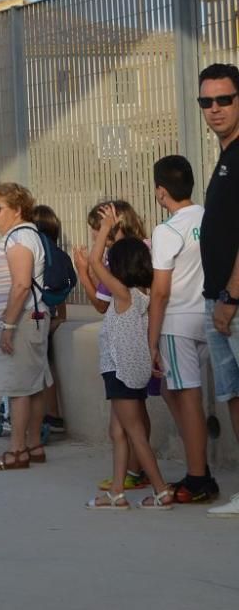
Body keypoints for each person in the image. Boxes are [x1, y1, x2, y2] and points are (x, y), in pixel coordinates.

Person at [86, 204, 174, 510]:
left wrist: (107, 228)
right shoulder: (143, 295)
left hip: (121, 371)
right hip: (129, 372)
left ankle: (162, 491)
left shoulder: (124, 294)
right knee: (118, 431)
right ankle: (118, 491)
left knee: (134, 433)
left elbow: (95, 261)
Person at [148, 155, 218, 503]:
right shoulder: (209, 217)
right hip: (209, 316)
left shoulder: (166, 230)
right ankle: (199, 467)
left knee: (187, 398)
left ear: (161, 192)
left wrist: (151, 341)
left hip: (176, 322)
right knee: (181, 394)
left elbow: (160, 291)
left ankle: (198, 476)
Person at [74, 200, 155, 491]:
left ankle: (153, 483)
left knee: (129, 429)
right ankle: (125, 485)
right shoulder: (142, 262)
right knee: (125, 426)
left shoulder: (123, 280)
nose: (97, 238)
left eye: (99, 230)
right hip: (138, 356)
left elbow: (99, 301)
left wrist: (85, 270)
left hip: (124, 364)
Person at [0, 183, 50, 471]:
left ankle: (17, 450)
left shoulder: (20, 238)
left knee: (20, 388)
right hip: (29, 319)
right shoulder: (21, 236)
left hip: (22, 321)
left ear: (17, 209)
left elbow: (20, 285)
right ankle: (33, 445)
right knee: (32, 385)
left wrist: (7, 325)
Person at [197, 63, 239, 517]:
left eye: (224, 99)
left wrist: (230, 298)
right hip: (219, 301)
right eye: (206, 102)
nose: (214, 109)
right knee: (232, 395)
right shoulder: (226, 157)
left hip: (232, 301)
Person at [33, 205, 67, 435]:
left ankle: (52, 415)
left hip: (36, 315)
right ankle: (52, 415)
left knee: (40, 368)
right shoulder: (58, 255)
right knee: (44, 366)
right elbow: (61, 288)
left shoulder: (38, 254)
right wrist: (60, 316)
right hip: (48, 314)